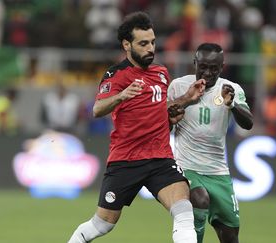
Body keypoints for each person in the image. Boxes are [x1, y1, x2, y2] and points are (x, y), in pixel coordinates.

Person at [67, 11, 205, 243]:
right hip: (126, 161)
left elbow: (159, 108)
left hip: (160, 158)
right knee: (101, 225)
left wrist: (185, 100)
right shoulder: (116, 74)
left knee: (184, 211)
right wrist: (121, 96)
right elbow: (97, 109)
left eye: (152, 42)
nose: (150, 48)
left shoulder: (161, 73)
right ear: (127, 45)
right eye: (143, 44)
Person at [167, 43, 253, 243]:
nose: (207, 72)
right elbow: (164, 125)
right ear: (194, 63)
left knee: (230, 235)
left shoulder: (231, 90)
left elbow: (248, 123)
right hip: (186, 168)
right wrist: (177, 112)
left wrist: (231, 105)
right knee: (199, 198)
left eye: (214, 68)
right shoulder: (179, 87)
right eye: (203, 66)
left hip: (218, 172)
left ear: (222, 67)